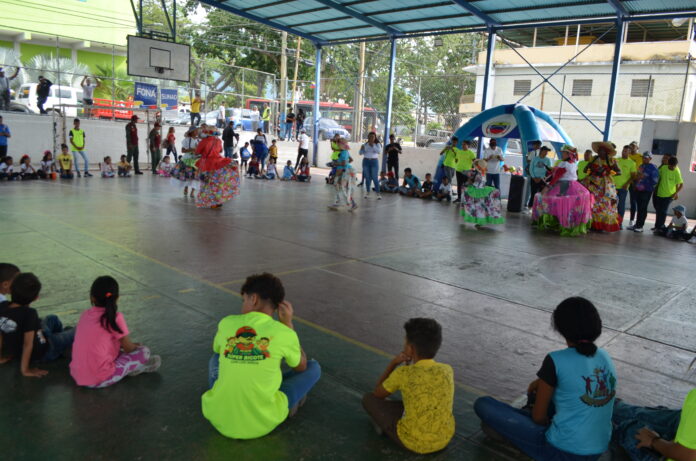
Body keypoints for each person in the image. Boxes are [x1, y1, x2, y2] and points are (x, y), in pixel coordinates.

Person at [475, 297, 617, 461]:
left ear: (559, 328)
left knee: (484, 406)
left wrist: (545, 422)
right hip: (600, 447)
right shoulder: (605, 356)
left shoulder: (555, 360)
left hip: (562, 451)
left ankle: (524, 438)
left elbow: (539, 418)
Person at [202, 273, 321, 439]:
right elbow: (301, 367)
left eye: (244, 300)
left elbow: (216, 349)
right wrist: (288, 324)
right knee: (313, 367)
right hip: (264, 422)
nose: (242, 306)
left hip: (218, 416)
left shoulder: (227, 322)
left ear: (254, 299)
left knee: (216, 358)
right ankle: (287, 402)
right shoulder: (283, 332)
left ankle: (227, 394)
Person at [362, 318, 454, 454]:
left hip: (414, 443)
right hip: (444, 439)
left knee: (368, 399)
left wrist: (393, 363)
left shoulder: (403, 373)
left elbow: (377, 394)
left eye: (405, 342)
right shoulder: (447, 370)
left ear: (411, 349)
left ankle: (384, 428)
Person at [70, 276, 161, 388]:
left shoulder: (85, 315)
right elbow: (129, 349)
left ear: (92, 298)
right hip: (98, 381)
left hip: (77, 375)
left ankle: (132, 367)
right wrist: (135, 346)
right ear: (117, 298)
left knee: (114, 349)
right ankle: (136, 367)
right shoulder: (116, 318)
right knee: (144, 351)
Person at [0, 273, 75, 377]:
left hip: (37, 341)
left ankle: (62, 344)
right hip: (45, 351)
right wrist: (25, 370)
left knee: (52, 318)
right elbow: (28, 344)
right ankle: (61, 348)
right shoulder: (29, 313)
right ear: (36, 298)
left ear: (11, 290)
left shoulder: (2, 307)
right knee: (77, 330)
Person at [612, 388, 696, 461]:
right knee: (648, 415)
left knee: (632, 430)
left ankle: (609, 425)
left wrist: (654, 441)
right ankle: (612, 406)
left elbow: (686, 455)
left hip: (680, 454)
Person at [532, 145, 594, 236]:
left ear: (569, 154)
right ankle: (568, 224)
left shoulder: (564, 164)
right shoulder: (573, 163)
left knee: (551, 200)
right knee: (568, 206)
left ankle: (559, 224)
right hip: (574, 185)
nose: (562, 154)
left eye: (564, 153)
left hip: (564, 185)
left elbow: (557, 176)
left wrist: (548, 186)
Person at [194, 124, 240, 209]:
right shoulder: (218, 141)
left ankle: (210, 202)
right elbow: (220, 150)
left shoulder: (204, 141)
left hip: (207, 164)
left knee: (206, 183)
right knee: (216, 184)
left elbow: (197, 152)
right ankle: (217, 201)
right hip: (218, 163)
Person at [582, 141, 621, 232]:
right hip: (593, 185)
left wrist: (608, 172)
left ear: (606, 151)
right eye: (599, 150)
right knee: (593, 205)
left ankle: (602, 226)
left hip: (606, 187)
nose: (599, 152)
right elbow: (585, 170)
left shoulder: (612, 160)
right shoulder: (594, 159)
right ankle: (593, 224)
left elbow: (619, 172)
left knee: (606, 206)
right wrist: (591, 169)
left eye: (602, 150)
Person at [462, 159, 505, 228]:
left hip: (478, 191)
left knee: (480, 207)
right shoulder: (481, 174)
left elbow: (475, 183)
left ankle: (480, 222)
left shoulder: (479, 174)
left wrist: (470, 182)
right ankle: (480, 222)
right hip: (480, 191)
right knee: (481, 207)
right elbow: (477, 183)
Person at [628, 152, 659, 233]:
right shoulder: (641, 166)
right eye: (643, 157)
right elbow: (638, 176)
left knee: (643, 207)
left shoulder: (653, 167)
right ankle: (637, 224)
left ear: (650, 158)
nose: (644, 159)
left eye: (646, 157)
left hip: (647, 190)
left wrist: (646, 182)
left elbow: (655, 180)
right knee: (639, 207)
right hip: (638, 189)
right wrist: (635, 184)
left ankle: (640, 226)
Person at [653, 156, 683, 233]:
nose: (672, 167)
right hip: (660, 193)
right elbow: (657, 176)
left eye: (673, 166)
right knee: (659, 210)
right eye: (670, 166)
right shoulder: (663, 168)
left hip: (670, 195)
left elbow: (681, 184)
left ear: (676, 165)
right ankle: (657, 226)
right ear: (668, 164)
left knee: (663, 211)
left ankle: (661, 227)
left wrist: (675, 193)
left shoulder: (677, 171)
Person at [329, 138, 358, 211]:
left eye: (338, 143)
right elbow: (351, 160)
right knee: (341, 187)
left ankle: (349, 202)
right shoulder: (345, 152)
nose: (337, 144)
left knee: (340, 186)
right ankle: (339, 203)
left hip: (345, 171)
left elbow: (344, 163)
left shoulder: (343, 152)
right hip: (346, 171)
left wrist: (335, 164)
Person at [614, 145, 638, 228]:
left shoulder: (632, 163)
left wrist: (626, 184)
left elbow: (633, 176)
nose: (623, 152)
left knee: (621, 205)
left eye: (625, 151)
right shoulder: (617, 160)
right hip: (613, 187)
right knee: (611, 204)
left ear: (629, 152)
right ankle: (610, 222)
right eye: (623, 151)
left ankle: (619, 223)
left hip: (623, 188)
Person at [359, 132, 382, 199]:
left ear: (375, 137)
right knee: (367, 177)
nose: (371, 138)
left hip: (374, 161)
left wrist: (373, 145)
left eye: (372, 137)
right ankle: (368, 192)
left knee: (375, 178)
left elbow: (379, 151)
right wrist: (361, 148)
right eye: (370, 137)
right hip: (366, 161)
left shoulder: (377, 144)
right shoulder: (365, 144)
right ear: (368, 138)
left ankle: (378, 193)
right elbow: (360, 153)